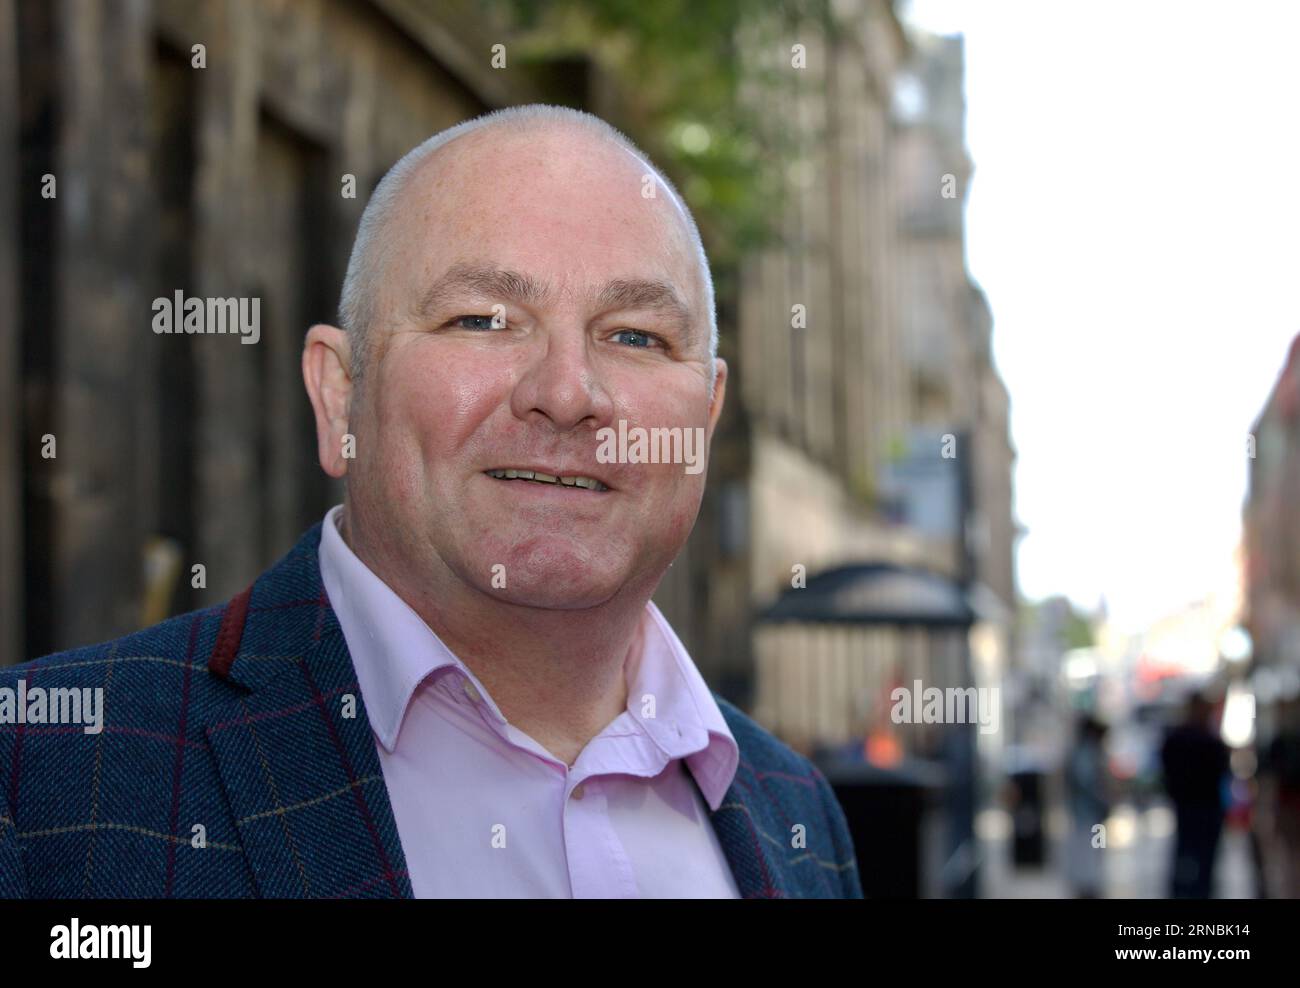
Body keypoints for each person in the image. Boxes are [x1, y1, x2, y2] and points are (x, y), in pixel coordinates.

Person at [0, 105, 861, 899]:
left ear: (705, 419)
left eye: (636, 336)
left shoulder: (799, 819)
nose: (567, 393)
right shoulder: (42, 779)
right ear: (340, 397)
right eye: (482, 320)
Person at [1160, 692, 1230, 898]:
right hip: (1202, 807)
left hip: (1192, 806)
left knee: (1188, 854)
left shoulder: (1179, 738)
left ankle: (1185, 891)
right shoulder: (1208, 740)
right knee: (1200, 857)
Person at [1064, 715, 1110, 898]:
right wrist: (1102, 799)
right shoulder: (1085, 754)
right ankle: (1088, 886)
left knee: (1092, 851)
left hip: (1089, 814)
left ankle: (1090, 884)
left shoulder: (1085, 753)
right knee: (1089, 852)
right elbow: (1088, 783)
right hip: (1088, 815)